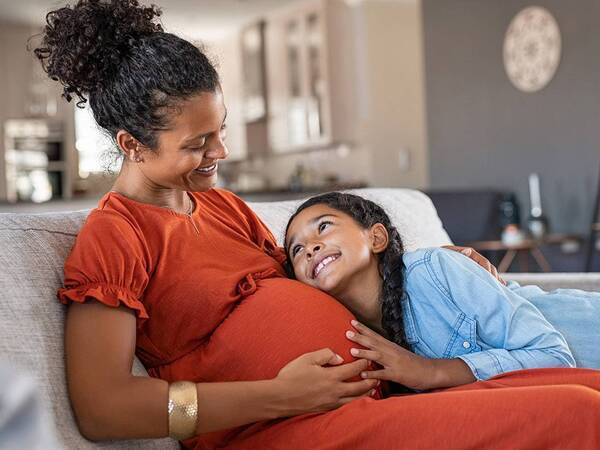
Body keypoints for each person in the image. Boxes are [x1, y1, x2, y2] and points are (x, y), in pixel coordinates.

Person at [33, 1, 600, 449]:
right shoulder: (117, 235)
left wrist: (441, 272)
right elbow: (103, 407)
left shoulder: (222, 207)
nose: (220, 152)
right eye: (197, 143)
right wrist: (278, 396)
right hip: (286, 429)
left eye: (220, 130)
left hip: (375, 399)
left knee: (589, 389)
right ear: (132, 145)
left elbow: (327, 276)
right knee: (580, 415)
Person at [284, 192, 600, 390]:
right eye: (296, 249)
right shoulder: (354, 336)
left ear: (376, 238)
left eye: (323, 226)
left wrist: (433, 372)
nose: (310, 247)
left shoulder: (432, 270)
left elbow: (553, 355)